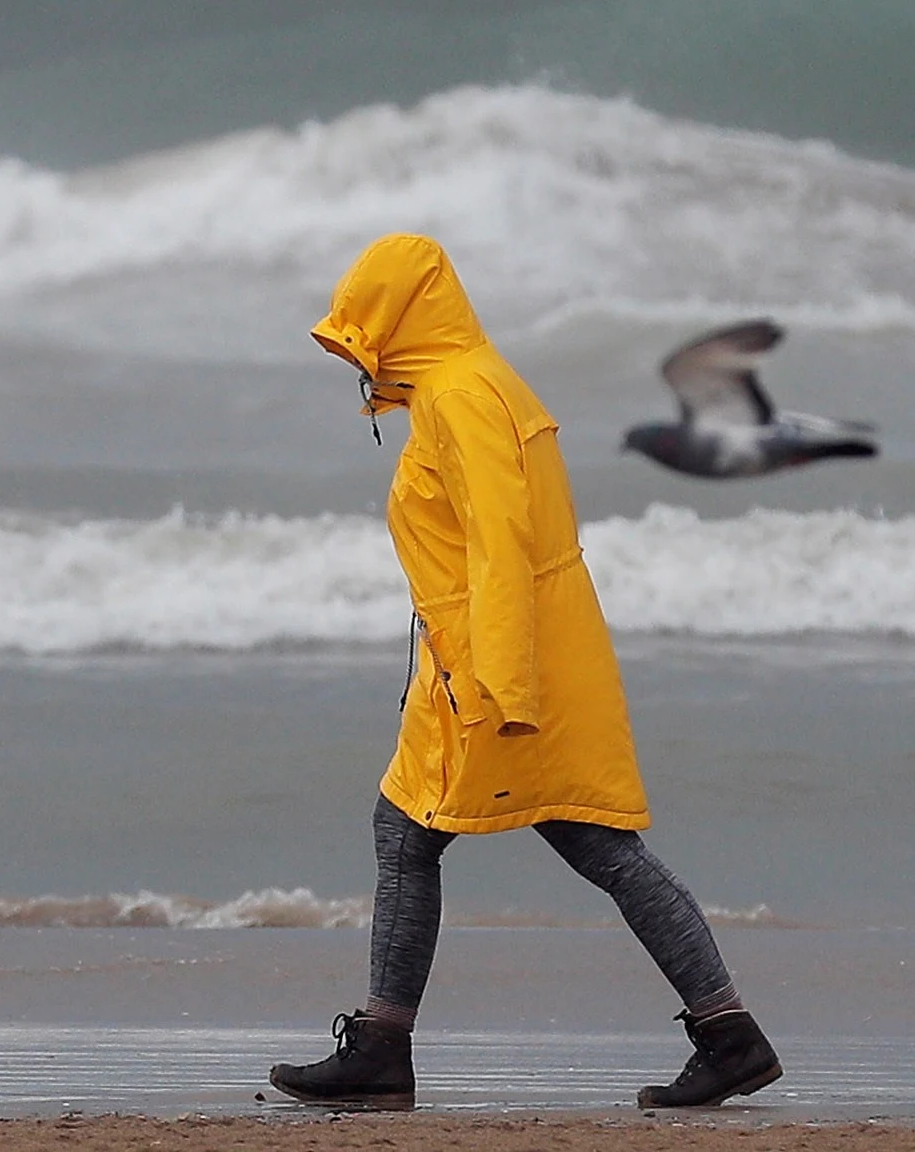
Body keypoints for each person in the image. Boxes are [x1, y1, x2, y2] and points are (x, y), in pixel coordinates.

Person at [267, 234, 781, 1110]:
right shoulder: (465, 386)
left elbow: (504, 547)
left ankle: (389, 1048)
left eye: (366, 330)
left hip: (500, 666)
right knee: (477, 835)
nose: (358, 355)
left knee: (557, 842)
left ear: (401, 316)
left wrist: (503, 684)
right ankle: (725, 1034)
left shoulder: (464, 396)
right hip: (488, 659)